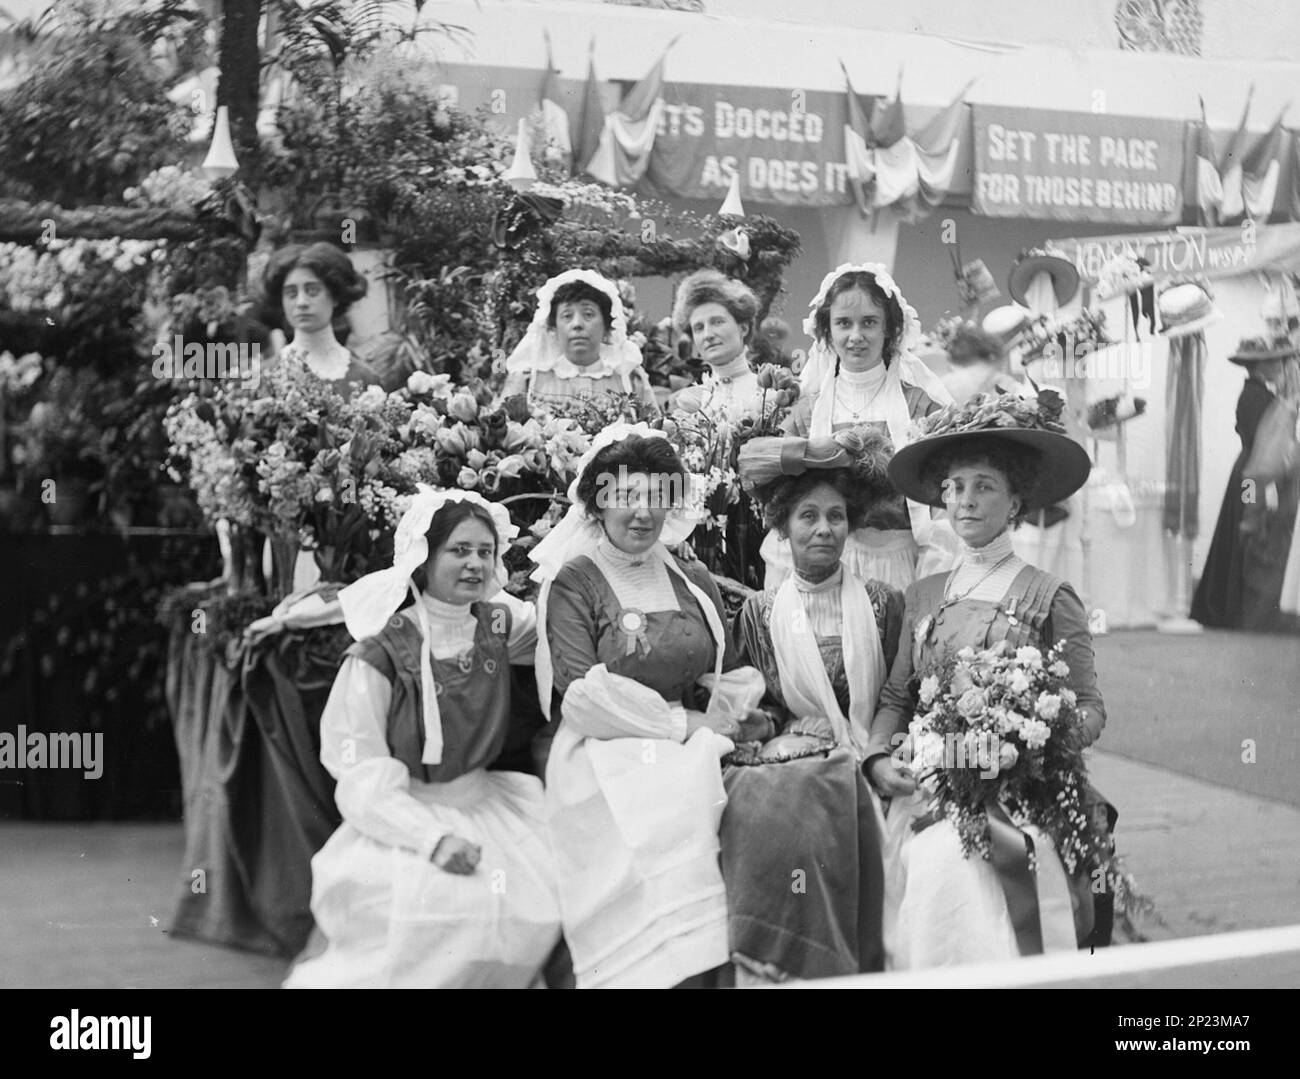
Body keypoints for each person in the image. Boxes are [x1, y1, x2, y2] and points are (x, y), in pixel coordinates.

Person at [863, 390, 1108, 969]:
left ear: (1016, 500)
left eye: (984, 486)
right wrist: (876, 759)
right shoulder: (923, 595)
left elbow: (1092, 708)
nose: (965, 501)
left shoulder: (1050, 596)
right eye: (954, 487)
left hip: (1022, 790)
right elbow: (898, 696)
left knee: (968, 862)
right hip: (927, 782)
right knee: (929, 860)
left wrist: (1028, 743)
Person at [283, 487, 560, 988]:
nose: (475, 564)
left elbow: (558, 627)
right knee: (446, 914)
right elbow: (359, 771)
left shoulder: (496, 622)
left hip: (486, 803)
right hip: (406, 814)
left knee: (534, 904)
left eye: (485, 552)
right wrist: (430, 839)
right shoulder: (383, 653)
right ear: (424, 558)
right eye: (459, 551)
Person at [530, 424, 767, 988]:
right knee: (670, 808)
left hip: (696, 738)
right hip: (605, 748)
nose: (641, 513)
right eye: (624, 497)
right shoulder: (575, 582)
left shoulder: (693, 577)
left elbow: (724, 672)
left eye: (655, 497)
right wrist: (680, 724)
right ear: (596, 505)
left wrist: (734, 714)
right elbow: (584, 697)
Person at [722, 428, 905, 981]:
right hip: (792, 752)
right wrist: (763, 723)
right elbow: (764, 701)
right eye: (808, 516)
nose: (824, 529)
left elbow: (900, 697)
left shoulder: (881, 604)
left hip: (867, 747)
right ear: (784, 526)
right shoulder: (759, 613)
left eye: (836, 516)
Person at [768, 263, 958, 592]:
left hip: (901, 569)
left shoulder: (921, 409)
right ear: (827, 331)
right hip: (821, 571)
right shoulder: (806, 414)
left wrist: (928, 586)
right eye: (843, 323)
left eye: (869, 322)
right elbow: (786, 509)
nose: (856, 336)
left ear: (890, 330)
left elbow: (945, 507)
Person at [1192, 336, 1300, 632]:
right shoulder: (1258, 397)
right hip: (1253, 474)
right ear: (1260, 365)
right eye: (1273, 362)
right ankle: (1235, 607)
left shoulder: (1257, 394)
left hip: (1250, 471)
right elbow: (1264, 443)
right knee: (1247, 524)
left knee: (1244, 523)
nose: (1278, 367)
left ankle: (1235, 606)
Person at [501, 269, 659, 417]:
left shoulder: (629, 376)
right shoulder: (528, 379)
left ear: (606, 326)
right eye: (567, 315)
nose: (577, 324)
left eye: (588, 314)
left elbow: (657, 434)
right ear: (554, 327)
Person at [262, 242, 383, 395]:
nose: (301, 302)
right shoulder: (264, 375)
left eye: (312, 291)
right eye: (291, 294)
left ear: (335, 297)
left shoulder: (365, 379)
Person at [669, 269, 765, 420]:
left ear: (743, 328)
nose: (708, 335)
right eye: (699, 328)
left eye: (717, 322)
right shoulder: (685, 404)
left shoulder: (769, 394)